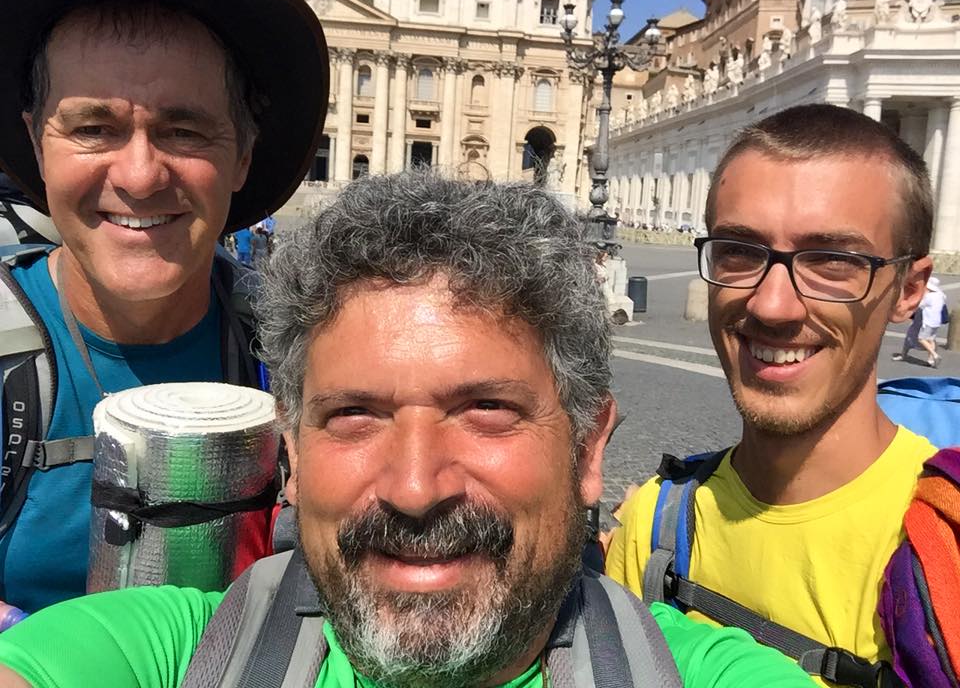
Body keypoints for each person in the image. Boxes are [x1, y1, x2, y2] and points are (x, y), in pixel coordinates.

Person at [0, 172, 813, 688]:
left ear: (590, 447)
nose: (416, 487)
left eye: (486, 410)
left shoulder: (704, 674)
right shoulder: (165, 654)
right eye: (353, 415)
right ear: (290, 453)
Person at [0, 0, 329, 614]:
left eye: (184, 131)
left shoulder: (303, 356)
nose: (141, 175)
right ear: (40, 146)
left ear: (242, 156)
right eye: (94, 128)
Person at [606, 104, 937, 687]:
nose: (771, 304)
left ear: (909, 289)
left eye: (833, 260)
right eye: (738, 250)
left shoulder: (943, 547)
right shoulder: (651, 526)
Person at [894, 276, 947, 367]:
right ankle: (931, 360)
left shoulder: (929, 296)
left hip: (927, 321)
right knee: (931, 339)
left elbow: (920, 304)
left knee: (921, 339)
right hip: (936, 322)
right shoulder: (940, 295)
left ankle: (934, 355)